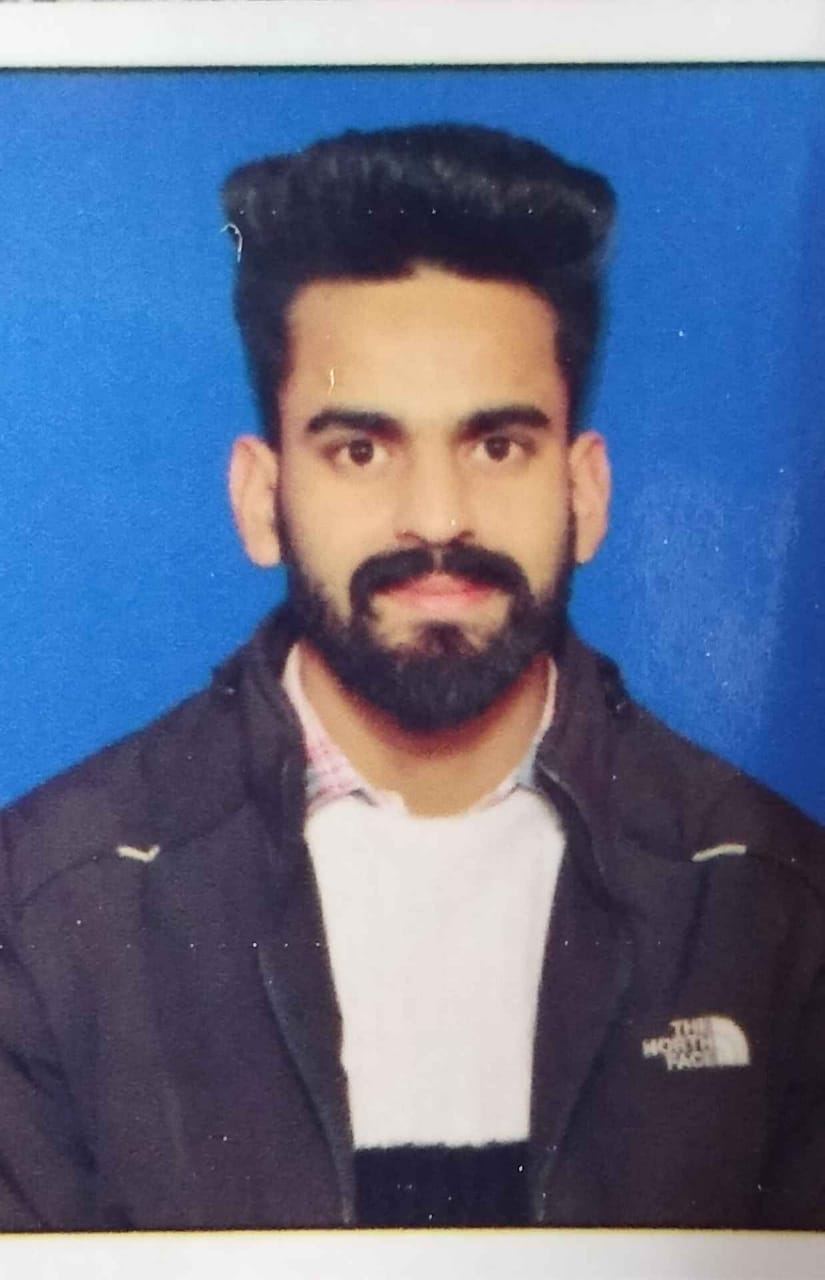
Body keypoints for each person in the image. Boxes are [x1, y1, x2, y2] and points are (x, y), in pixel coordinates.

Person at [1, 122, 824, 1233]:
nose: (438, 519)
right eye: (361, 449)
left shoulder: (776, 904)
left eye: (497, 446)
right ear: (260, 497)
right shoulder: (46, 907)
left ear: (584, 492)